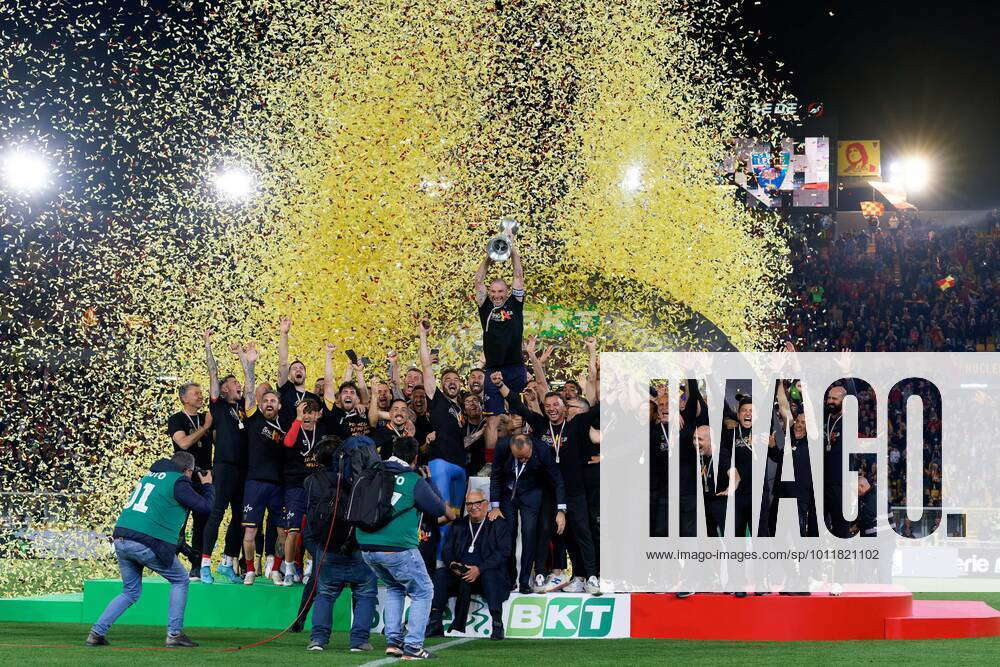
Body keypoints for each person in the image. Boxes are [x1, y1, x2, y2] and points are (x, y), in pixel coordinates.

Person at [86, 451, 214, 648]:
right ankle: (174, 634)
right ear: (188, 471)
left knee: (130, 591)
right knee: (180, 580)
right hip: (145, 542)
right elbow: (205, 507)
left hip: (121, 538)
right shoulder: (179, 482)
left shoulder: (150, 477)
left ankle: (96, 633)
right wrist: (207, 485)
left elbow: (157, 515)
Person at [495, 373, 600, 594]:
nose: (552, 408)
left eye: (556, 404)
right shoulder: (541, 425)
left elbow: (599, 410)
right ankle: (541, 573)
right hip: (547, 491)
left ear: (564, 408)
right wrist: (501, 384)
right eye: (548, 405)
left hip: (574, 490)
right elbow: (518, 405)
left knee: (581, 532)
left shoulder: (577, 424)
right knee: (544, 531)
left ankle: (591, 576)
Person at [356, 436, 457, 660]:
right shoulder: (412, 479)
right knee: (424, 591)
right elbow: (440, 509)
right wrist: (428, 481)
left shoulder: (373, 471)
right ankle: (413, 646)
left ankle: (393, 642)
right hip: (397, 547)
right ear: (415, 458)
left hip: (366, 546)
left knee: (394, 588)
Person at [304, 436, 378, 653]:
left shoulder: (311, 481)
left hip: (327, 546)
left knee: (325, 594)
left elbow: (310, 518)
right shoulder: (361, 480)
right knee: (365, 593)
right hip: (357, 546)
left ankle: (317, 639)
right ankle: (359, 641)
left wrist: (315, 545)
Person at [429, 488, 512, 640]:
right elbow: (447, 550)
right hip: (460, 574)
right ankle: (435, 623)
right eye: (469, 504)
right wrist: (453, 564)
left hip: (486, 574)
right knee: (440, 574)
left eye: (478, 503)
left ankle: (497, 624)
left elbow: (503, 553)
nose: (473, 507)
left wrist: (479, 569)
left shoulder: (498, 524)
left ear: (486, 504)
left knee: (490, 574)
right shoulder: (459, 524)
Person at [488, 433, 566, 594]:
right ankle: (510, 579)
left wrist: (561, 509)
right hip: (508, 494)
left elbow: (558, 479)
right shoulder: (502, 447)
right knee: (508, 534)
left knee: (529, 534)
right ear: (511, 450)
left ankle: (525, 581)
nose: (523, 460)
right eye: (519, 458)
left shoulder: (542, 450)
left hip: (531, 493)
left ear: (531, 447)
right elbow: (495, 475)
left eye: (526, 457)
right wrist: (495, 505)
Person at [417, 320, 469, 560]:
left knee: (456, 515)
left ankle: (449, 561)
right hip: (441, 465)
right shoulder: (436, 398)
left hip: (461, 467)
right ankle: (437, 561)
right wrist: (423, 336)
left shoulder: (462, 409)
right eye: (447, 379)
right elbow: (427, 367)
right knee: (444, 512)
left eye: (456, 379)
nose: (452, 381)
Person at [239, 342, 288, 585]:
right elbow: (249, 390)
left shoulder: (286, 427)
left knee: (282, 531)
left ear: (279, 406)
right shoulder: (254, 419)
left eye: (273, 400)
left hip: (278, 484)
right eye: (265, 400)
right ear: (260, 404)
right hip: (255, 482)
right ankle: (249, 569)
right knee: (250, 531)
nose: (269, 403)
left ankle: (276, 570)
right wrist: (250, 363)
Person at [200, 332, 246, 584]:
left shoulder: (243, 409)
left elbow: (249, 383)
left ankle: (228, 562)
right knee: (217, 513)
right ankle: (205, 563)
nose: (238, 386)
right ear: (225, 388)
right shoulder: (218, 405)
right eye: (234, 383)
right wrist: (208, 345)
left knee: (240, 517)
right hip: (224, 467)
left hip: (243, 470)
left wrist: (244, 359)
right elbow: (213, 375)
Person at [474, 227, 526, 434]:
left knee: (517, 416)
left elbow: (518, 274)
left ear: (507, 292)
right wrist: (489, 256)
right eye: (493, 291)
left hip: (515, 367)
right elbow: (478, 281)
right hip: (493, 368)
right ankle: (490, 463)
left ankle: (520, 459)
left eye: (500, 291)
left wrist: (511, 248)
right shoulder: (485, 305)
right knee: (493, 421)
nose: (496, 295)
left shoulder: (515, 303)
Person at [167, 381, 213, 578]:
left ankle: (197, 566)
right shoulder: (176, 419)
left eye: (201, 393)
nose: (201, 396)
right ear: (184, 398)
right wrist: (205, 427)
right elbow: (184, 443)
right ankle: (171, 564)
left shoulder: (206, 417)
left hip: (203, 477)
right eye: (196, 393)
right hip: (183, 478)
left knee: (202, 523)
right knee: (179, 522)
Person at [280, 397, 324, 585]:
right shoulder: (295, 428)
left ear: (317, 415)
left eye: (311, 412)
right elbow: (288, 443)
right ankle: (288, 568)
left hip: (315, 488)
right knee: (293, 531)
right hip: (295, 487)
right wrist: (297, 419)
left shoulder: (321, 433)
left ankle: (310, 567)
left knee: (314, 530)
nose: (307, 415)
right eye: (304, 411)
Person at [276, 316, 322, 423]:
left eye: (301, 368)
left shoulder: (314, 398)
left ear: (305, 374)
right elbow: (283, 362)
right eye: (294, 369)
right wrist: (284, 334)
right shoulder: (286, 389)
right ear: (289, 375)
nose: (298, 370)